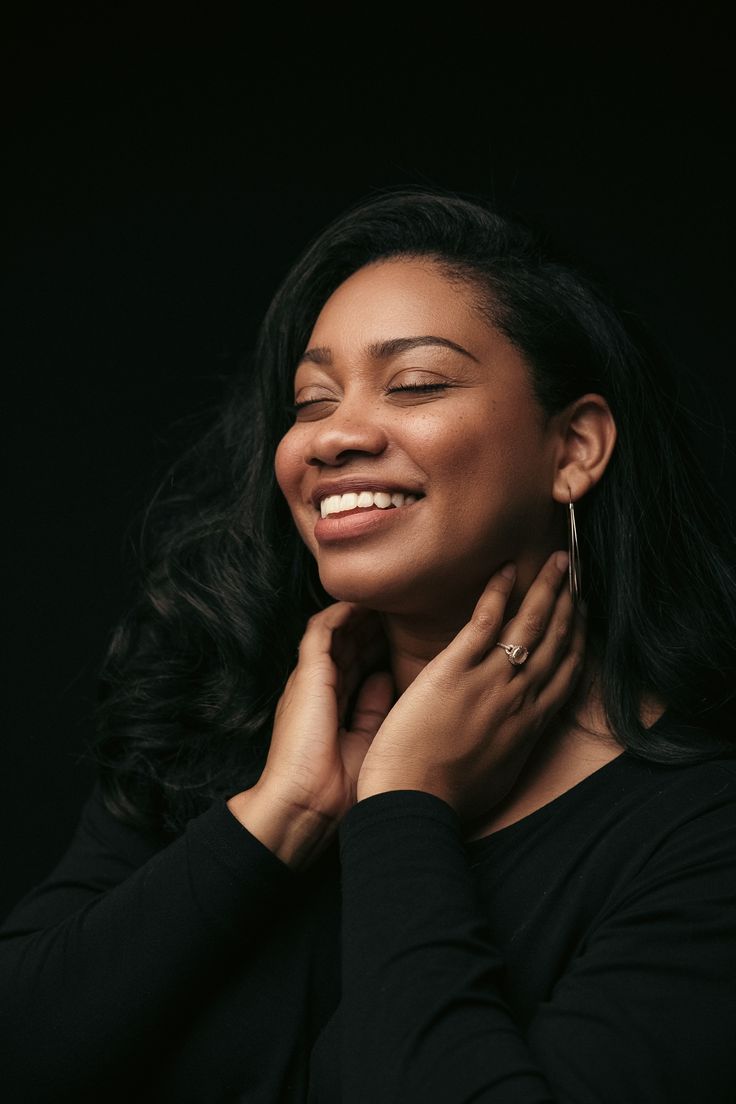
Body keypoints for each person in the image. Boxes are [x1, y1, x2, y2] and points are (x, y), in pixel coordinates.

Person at [2, 189, 735, 1103]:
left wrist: (405, 806)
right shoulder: (215, 723)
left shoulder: (701, 833)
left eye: (417, 383)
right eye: (311, 401)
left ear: (574, 447)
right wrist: (281, 817)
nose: (336, 435)